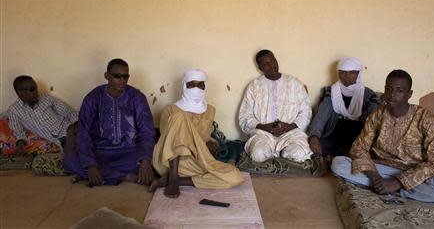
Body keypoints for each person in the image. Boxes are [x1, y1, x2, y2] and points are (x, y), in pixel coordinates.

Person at [331, 70, 434, 203]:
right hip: (383, 169)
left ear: (409, 94)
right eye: (389, 89)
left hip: (415, 173)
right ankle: (383, 186)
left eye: (399, 90)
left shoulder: (426, 119)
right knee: (338, 163)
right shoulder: (377, 115)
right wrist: (376, 178)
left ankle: (396, 190)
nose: (392, 95)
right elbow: (359, 148)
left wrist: (397, 182)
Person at [151, 69, 243, 198]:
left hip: (196, 161)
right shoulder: (171, 110)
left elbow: (204, 138)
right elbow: (169, 140)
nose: (196, 89)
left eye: (200, 85)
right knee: (179, 117)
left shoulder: (210, 110)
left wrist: (212, 143)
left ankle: (180, 180)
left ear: (205, 87)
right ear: (184, 86)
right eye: (191, 85)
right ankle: (172, 177)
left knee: (235, 176)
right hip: (169, 162)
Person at [64, 59, 155, 187]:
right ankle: (125, 176)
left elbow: (147, 130)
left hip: (130, 151)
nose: (122, 80)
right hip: (100, 152)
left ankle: (102, 176)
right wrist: (90, 164)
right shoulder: (93, 98)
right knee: (70, 160)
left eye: (125, 76)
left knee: (155, 162)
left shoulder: (137, 97)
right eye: (117, 76)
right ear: (106, 76)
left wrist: (145, 161)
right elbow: (83, 131)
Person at [238, 49, 312, 163]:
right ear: (260, 68)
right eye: (266, 64)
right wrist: (265, 127)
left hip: (291, 133)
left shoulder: (294, 83)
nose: (271, 65)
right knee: (258, 154)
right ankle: (278, 156)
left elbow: (306, 111)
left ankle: (281, 154)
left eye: (273, 60)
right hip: (263, 134)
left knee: (299, 153)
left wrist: (289, 126)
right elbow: (245, 116)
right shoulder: (254, 86)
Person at [308, 57, 378, 163]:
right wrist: (314, 136)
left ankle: (335, 159)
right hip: (333, 136)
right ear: (338, 73)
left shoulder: (368, 96)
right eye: (343, 72)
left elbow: (374, 124)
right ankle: (336, 159)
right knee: (308, 149)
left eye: (352, 73)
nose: (347, 77)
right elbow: (320, 117)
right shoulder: (331, 92)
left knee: (362, 153)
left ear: (358, 74)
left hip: (357, 138)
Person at [8, 75, 78, 154]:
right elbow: (18, 132)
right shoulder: (14, 111)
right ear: (20, 93)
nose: (36, 92)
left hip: (71, 131)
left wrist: (77, 126)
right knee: (73, 157)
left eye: (36, 88)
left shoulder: (46, 99)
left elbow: (69, 112)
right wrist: (20, 144)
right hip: (61, 142)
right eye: (32, 89)